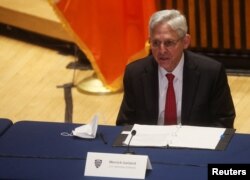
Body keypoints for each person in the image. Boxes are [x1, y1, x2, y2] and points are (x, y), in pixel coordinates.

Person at [116, 9, 235, 128]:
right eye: (156, 43)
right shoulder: (135, 73)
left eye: (169, 43)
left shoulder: (210, 73)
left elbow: (224, 120)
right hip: (149, 144)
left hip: (193, 143)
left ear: (185, 41)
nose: (161, 50)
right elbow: (125, 123)